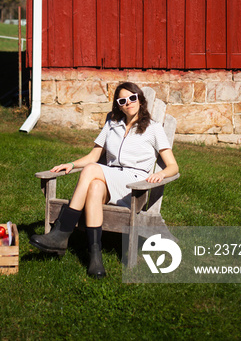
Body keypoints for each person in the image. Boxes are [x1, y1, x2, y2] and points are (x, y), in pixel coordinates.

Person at [30, 82, 179, 279]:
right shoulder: (112, 123)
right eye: (123, 100)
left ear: (140, 100)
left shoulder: (153, 128)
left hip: (133, 186)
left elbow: (173, 167)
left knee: (93, 171)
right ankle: (95, 257)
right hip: (109, 177)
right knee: (95, 186)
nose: (129, 103)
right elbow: (94, 155)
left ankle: (62, 232)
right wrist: (72, 165)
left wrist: (161, 174)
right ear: (118, 105)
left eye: (132, 98)